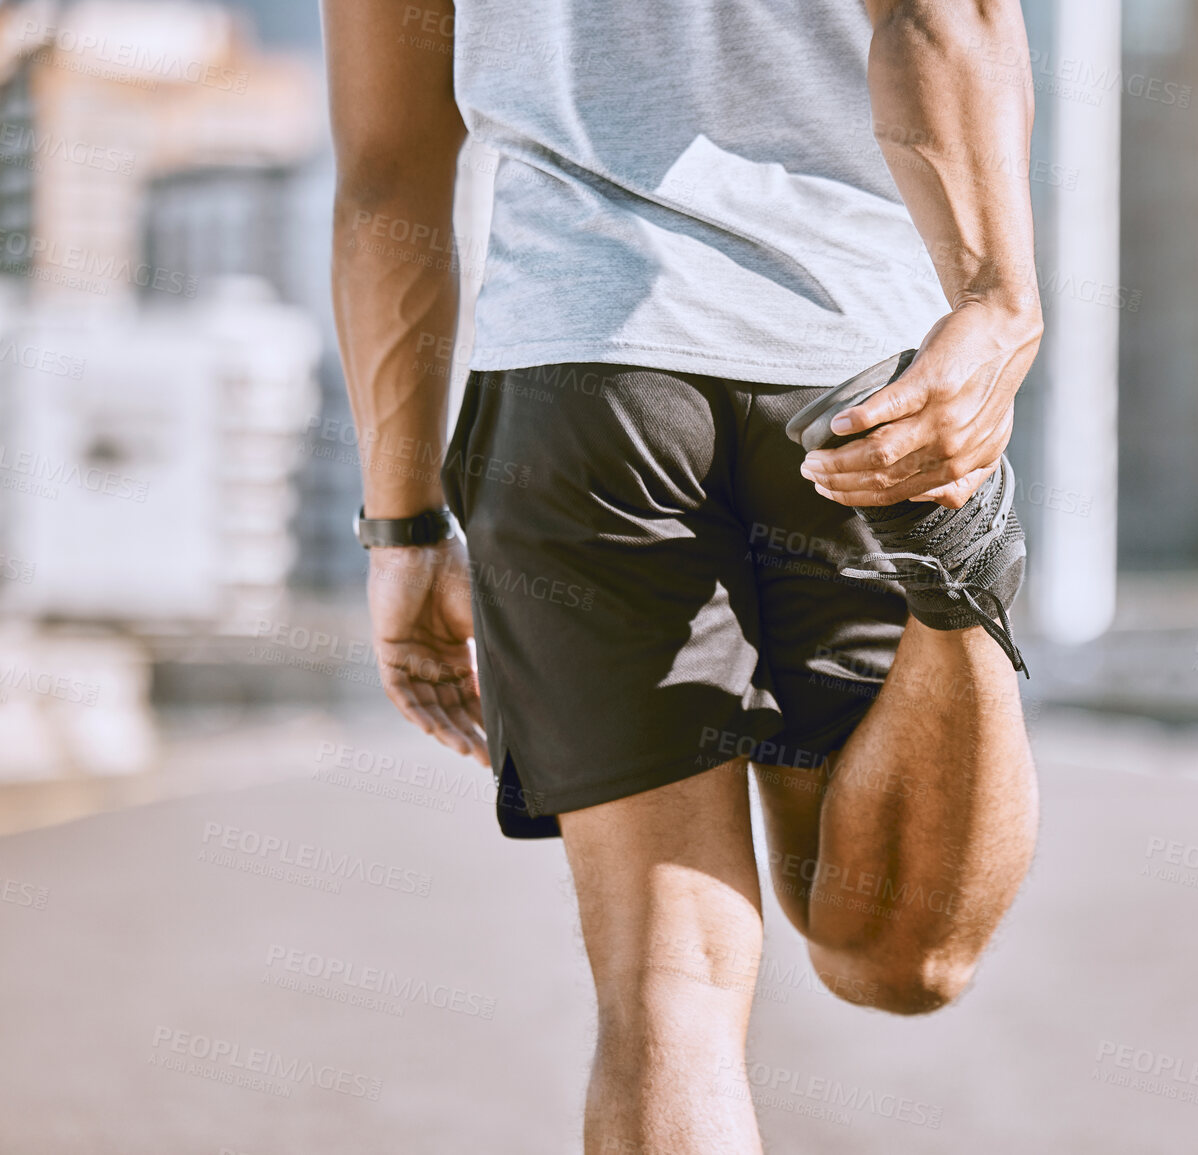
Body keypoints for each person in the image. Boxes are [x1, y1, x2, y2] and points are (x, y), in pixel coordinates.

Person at [322, 1, 1042, 1149]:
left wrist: (403, 532)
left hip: (579, 376)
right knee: (897, 952)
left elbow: (385, 176)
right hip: (853, 366)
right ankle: (955, 557)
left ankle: (952, 563)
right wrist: (998, 297)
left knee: (673, 997)